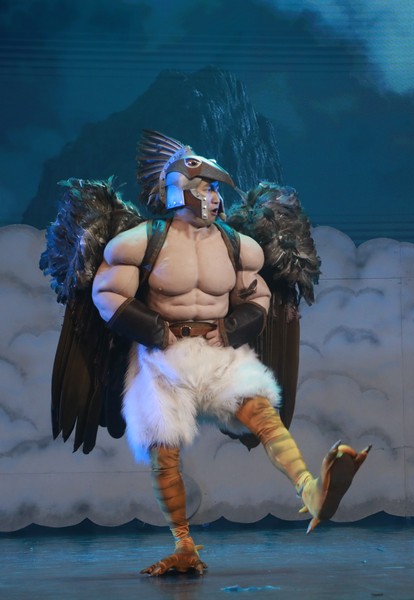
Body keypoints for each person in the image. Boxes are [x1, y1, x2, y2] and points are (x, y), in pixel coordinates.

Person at [89, 131, 369, 575]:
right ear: (180, 190)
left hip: (218, 351)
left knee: (263, 415)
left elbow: (259, 297)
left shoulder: (237, 245)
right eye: (205, 187)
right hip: (162, 360)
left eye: (215, 189)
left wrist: (233, 327)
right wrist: (155, 332)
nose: (214, 197)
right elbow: (107, 294)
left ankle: (311, 490)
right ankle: (184, 544)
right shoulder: (141, 242)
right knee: (164, 453)